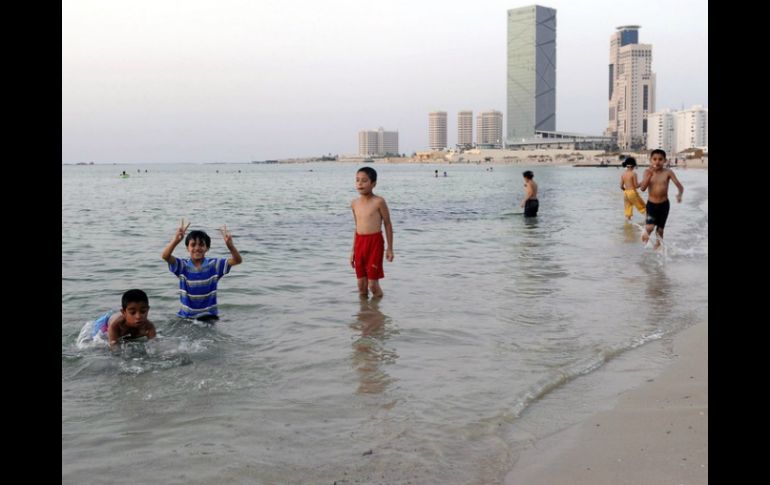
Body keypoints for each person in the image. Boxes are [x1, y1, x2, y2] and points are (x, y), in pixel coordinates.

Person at [162, 220, 242, 320]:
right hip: (187, 317)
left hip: (209, 317)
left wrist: (230, 246)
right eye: (193, 244)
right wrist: (175, 241)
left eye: (201, 244)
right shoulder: (182, 266)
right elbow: (165, 256)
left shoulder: (215, 265)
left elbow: (237, 260)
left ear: (207, 248)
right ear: (187, 248)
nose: (197, 248)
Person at [350, 167, 394, 298]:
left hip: (374, 243)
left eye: (364, 181)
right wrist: (353, 250)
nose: (360, 183)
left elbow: (387, 224)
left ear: (373, 184)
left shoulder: (379, 202)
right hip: (359, 243)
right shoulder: (354, 203)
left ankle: (378, 314)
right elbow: (357, 226)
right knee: (361, 286)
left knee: (373, 285)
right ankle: (364, 314)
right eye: (357, 180)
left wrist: (390, 248)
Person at [639, 149, 684, 248]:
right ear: (650, 160)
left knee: (660, 231)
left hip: (664, 205)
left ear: (665, 161)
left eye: (660, 159)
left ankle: (658, 251)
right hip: (651, 205)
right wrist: (650, 175)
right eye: (654, 159)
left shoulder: (668, 172)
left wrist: (679, 195)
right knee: (650, 227)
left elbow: (680, 186)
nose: (657, 161)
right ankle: (643, 251)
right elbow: (642, 188)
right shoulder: (647, 172)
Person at [90, 289, 156, 349]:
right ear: (123, 312)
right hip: (106, 321)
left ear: (148, 310)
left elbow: (154, 345)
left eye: (143, 311)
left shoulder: (149, 327)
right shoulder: (115, 326)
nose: (138, 316)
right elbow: (114, 348)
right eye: (133, 313)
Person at [619, 157, 646, 221]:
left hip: (626, 193)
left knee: (628, 210)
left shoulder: (623, 174)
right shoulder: (634, 174)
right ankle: (649, 220)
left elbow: (621, 186)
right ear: (633, 166)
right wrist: (643, 182)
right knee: (642, 207)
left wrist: (626, 190)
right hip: (632, 192)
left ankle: (628, 226)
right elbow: (636, 186)